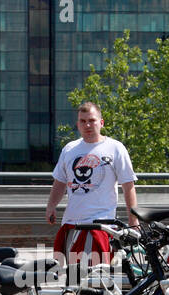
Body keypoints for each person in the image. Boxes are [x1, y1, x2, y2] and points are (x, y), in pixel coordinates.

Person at [45, 101, 138, 270]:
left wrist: (133, 221)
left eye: (92, 120)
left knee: (96, 283)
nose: (87, 125)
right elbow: (60, 182)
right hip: (71, 225)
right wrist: (51, 206)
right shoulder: (70, 149)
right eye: (82, 121)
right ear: (78, 124)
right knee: (72, 283)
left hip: (100, 227)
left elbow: (128, 186)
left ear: (101, 123)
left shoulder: (115, 148)